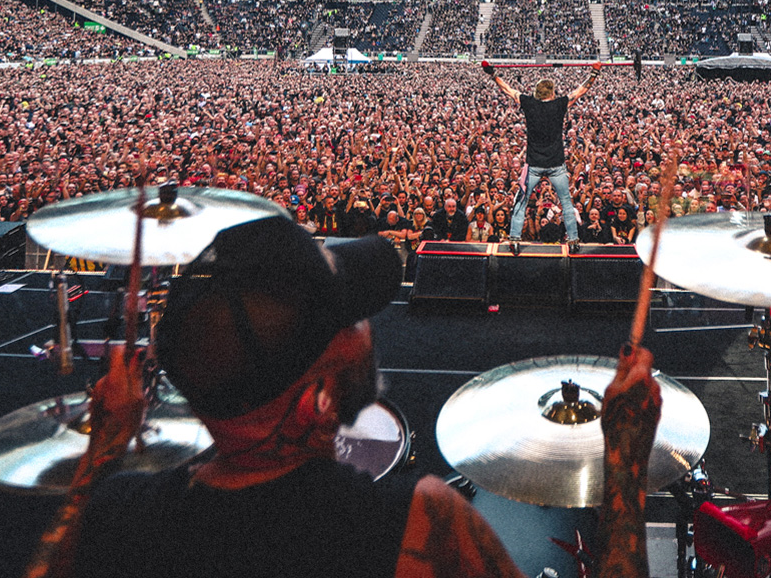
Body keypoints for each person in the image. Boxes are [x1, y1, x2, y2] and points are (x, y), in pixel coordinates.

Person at [40, 215, 660, 578]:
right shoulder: (416, 521)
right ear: (315, 398)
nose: (368, 329)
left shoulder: (114, 519)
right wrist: (624, 469)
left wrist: (101, 456)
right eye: (352, 319)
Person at [483, 61, 600, 247]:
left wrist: (493, 74)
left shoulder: (529, 103)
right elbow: (581, 90)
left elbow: (508, 90)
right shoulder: (561, 104)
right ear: (552, 92)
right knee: (566, 203)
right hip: (556, 163)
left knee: (521, 202)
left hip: (534, 164)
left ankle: (514, 239)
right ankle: (573, 240)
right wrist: (594, 72)